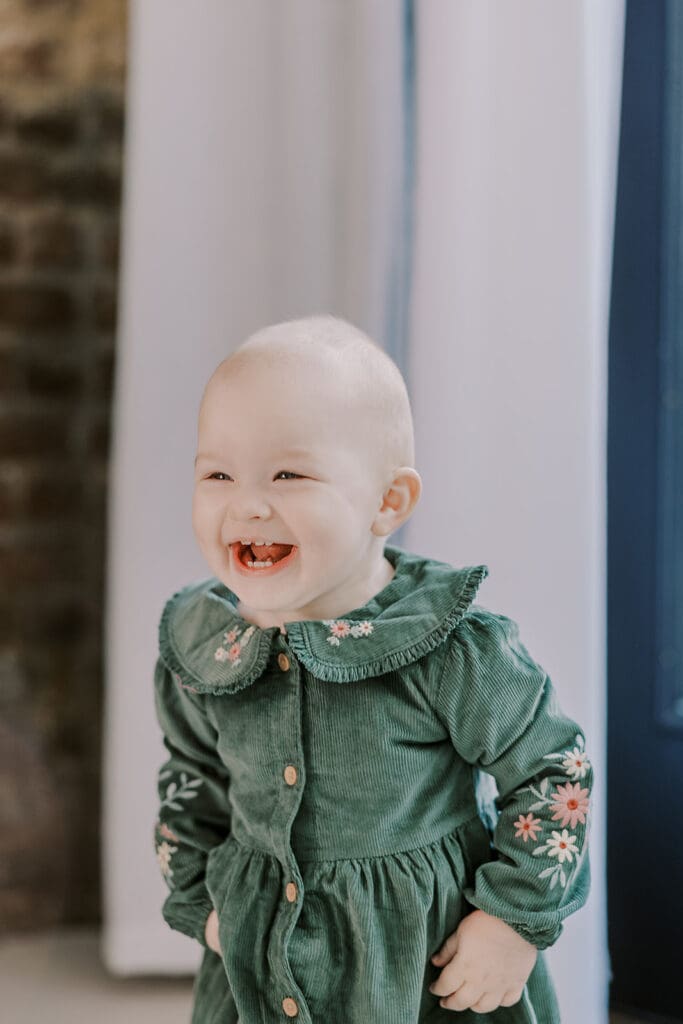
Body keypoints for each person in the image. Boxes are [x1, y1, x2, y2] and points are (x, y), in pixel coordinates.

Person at [153, 315, 592, 1024]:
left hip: (421, 969)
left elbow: (552, 772)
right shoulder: (204, 641)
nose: (247, 502)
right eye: (218, 473)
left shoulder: (447, 644)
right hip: (259, 964)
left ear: (387, 502)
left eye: (288, 474)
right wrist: (201, 904)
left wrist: (511, 922)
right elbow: (188, 777)